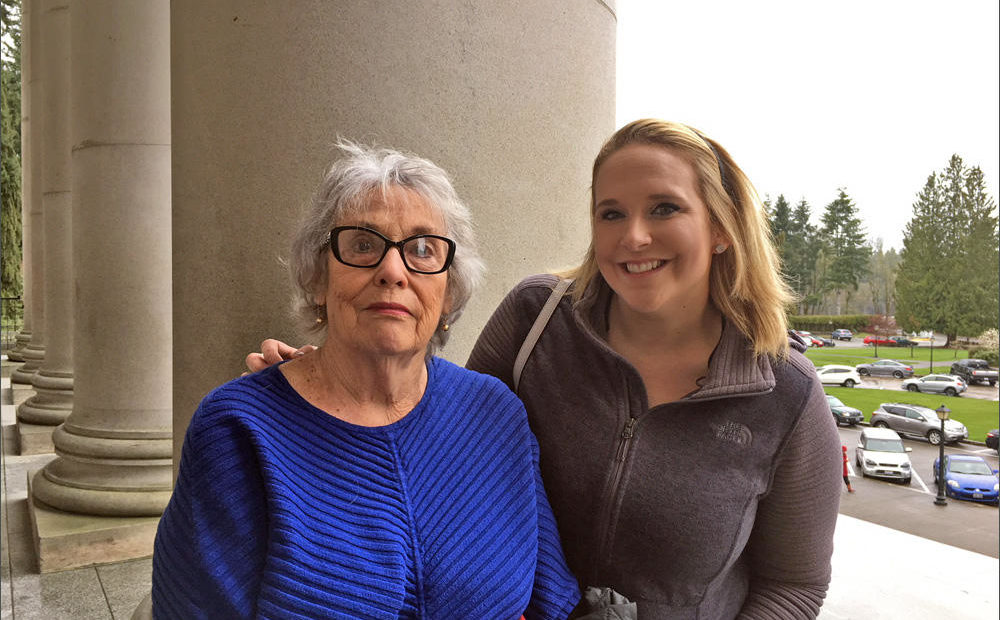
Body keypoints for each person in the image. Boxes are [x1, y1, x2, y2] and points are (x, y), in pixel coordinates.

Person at [249, 120, 842, 618]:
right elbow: (441, 426)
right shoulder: (537, 318)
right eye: (610, 213)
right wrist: (326, 382)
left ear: (720, 228)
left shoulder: (784, 392)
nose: (634, 236)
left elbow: (794, 584)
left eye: (664, 208)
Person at [152, 142, 581, 619]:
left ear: (448, 291)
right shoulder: (238, 431)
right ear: (318, 278)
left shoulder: (495, 415)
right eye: (362, 245)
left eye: (422, 249)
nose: (392, 271)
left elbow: (551, 601)